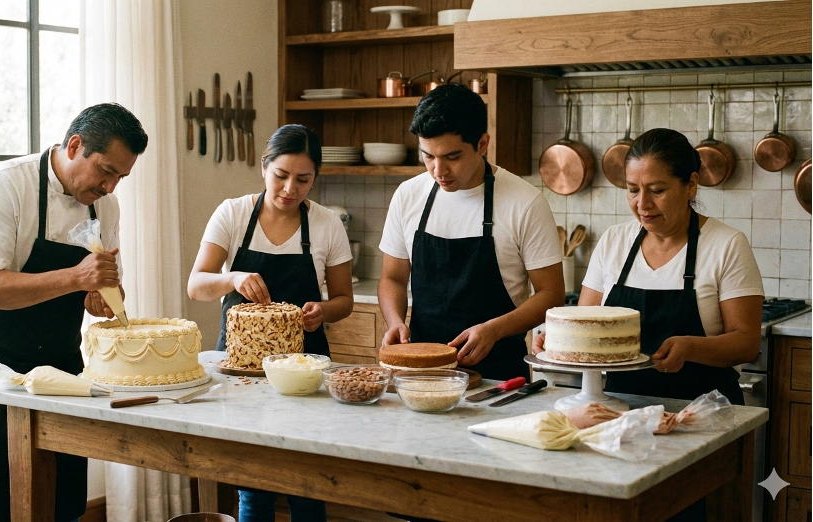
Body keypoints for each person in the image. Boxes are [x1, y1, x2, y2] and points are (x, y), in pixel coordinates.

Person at [0, 103, 148, 522]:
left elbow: (104, 284)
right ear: (75, 145)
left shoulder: (105, 206)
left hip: (62, 363)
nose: (111, 187)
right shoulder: (5, 186)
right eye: (105, 170)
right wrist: (75, 279)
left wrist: (100, 297)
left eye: (120, 177)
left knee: (63, 497)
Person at [187, 124, 353, 521]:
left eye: (303, 179)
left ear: (315, 179)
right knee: (253, 482)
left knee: (309, 482)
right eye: (281, 176)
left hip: (306, 370)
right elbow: (196, 285)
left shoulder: (327, 225)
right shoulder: (233, 213)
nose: (289, 189)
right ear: (264, 167)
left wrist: (323, 311)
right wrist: (232, 278)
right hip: (243, 370)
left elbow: (344, 301)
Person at [533, 128, 763, 406]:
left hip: (703, 412)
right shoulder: (614, 241)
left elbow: (746, 343)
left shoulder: (726, 244)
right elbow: (587, 325)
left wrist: (690, 347)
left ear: (690, 185)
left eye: (657, 190)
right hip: (621, 410)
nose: (642, 204)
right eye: (632, 190)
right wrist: (559, 341)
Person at [378, 83, 564, 381]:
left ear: (482, 143)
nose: (438, 171)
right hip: (422, 375)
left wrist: (494, 330)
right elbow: (392, 277)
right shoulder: (408, 195)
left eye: (452, 157)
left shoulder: (525, 202)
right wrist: (394, 321)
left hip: (500, 378)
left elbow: (551, 295)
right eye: (428, 156)